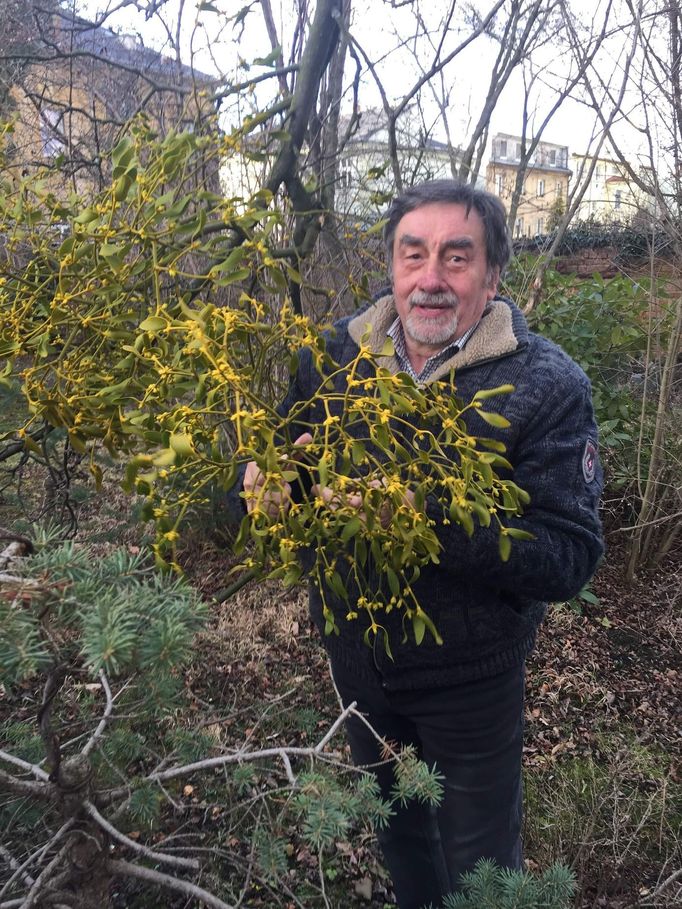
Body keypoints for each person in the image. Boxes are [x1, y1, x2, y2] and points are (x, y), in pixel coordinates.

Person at [239, 180, 604, 909]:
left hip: (470, 682)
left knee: (479, 868)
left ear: (493, 275)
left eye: (456, 257)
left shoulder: (545, 383)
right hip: (358, 666)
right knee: (400, 838)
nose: (431, 278)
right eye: (414, 254)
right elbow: (280, 469)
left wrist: (422, 518)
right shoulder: (331, 359)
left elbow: (566, 555)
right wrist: (261, 485)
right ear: (393, 265)